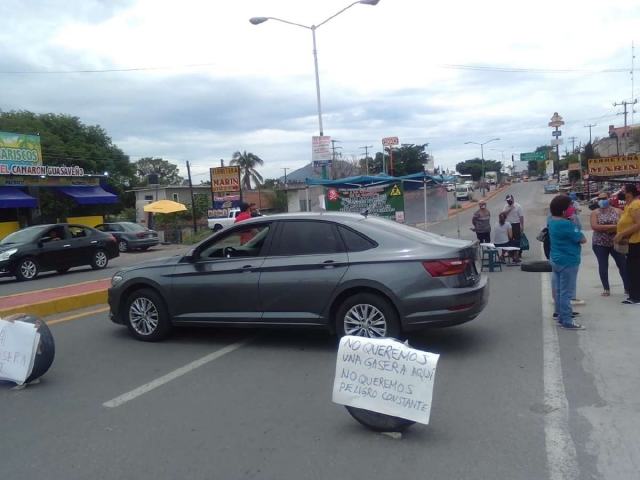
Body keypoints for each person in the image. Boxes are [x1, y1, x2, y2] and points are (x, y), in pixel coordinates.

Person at [548, 194, 587, 330]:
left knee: (559, 291)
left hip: (557, 259)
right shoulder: (566, 224)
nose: (572, 208)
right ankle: (567, 321)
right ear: (564, 210)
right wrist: (572, 223)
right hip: (568, 260)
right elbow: (582, 239)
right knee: (566, 293)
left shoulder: (552, 220)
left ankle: (561, 316)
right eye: (570, 206)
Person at [590, 191, 627, 296]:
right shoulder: (595, 212)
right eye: (600, 199)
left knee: (623, 265)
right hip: (600, 243)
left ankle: (627, 288)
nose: (602, 201)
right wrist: (613, 227)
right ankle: (606, 288)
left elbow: (624, 225)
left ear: (609, 198)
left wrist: (608, 228)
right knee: (603, 265)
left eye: (604, 198)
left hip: (616, 242)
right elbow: (595, 226)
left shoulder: (618, 211)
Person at [614, 184, 640, 305]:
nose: (621, 193)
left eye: (623, 191)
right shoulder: (628, 205)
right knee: (630, 269)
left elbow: (638, 224)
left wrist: (621, 234)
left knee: (634, 269)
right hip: (631, 242)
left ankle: (636, 297)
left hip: (637, 241)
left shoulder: (635, 205)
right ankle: (633, 295)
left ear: (629, 193)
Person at [502, 194, 524, 263]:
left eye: (509, 200)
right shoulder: (506, 206)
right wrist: (509, 209)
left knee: (517, 240)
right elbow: (503, 214)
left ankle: (517, 254)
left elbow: (521, 217)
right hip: (508, 225)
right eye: (507, 201)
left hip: (516, 224)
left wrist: (522, 226)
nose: (508, 202)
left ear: (512, 199)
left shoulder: (518, 206)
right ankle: (511, 253)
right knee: (509, 239)